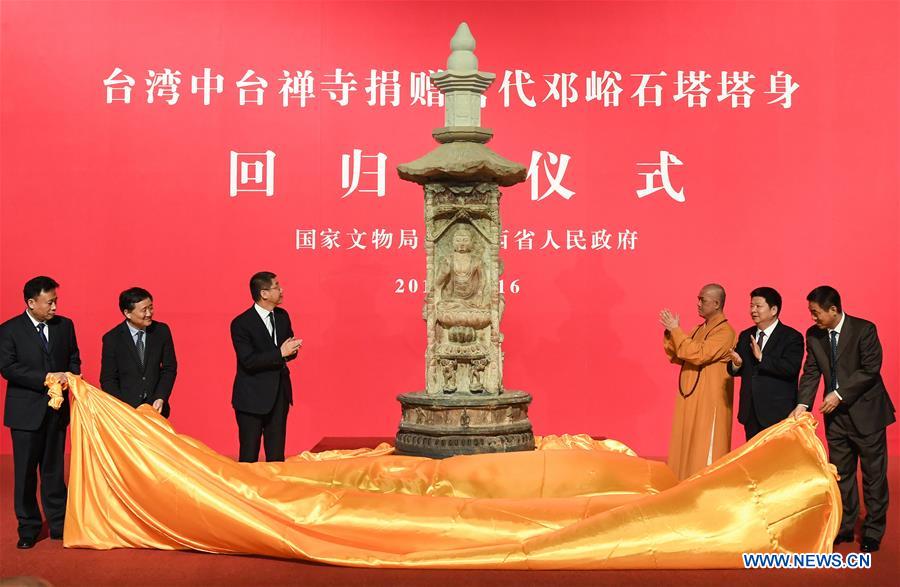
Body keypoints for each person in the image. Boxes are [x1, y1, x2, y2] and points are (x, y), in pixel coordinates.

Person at [791, 286, 895, 553]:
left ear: (833, 310)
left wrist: (838, 394)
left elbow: (871, 369)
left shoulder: (864, 330)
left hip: (867, 414)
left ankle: (873, 530)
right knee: (841, 474)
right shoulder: (814, 335)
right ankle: (846, 526)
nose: (812, 318)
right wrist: (803, 404)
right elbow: (811, 371)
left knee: (873, 476)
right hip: (836, 418)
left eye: (816, 313)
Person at [0, 276, 81, 549]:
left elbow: (73, 357)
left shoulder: (65, 326)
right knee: (24, 473)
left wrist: (70, 375)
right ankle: (29, 527)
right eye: (50, 302)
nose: (55, 307)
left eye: (56, 301)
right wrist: (47, 377)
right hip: (24, 414)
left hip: (56, 413)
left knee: (54, 470)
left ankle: (59, 524)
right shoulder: (9, 330)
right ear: (32, 302)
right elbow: (8, 368)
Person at [660, 283, 736, 480]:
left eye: (702, 299)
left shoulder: (725, 332)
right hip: (691, 398)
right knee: (685, 443)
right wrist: (671, 333)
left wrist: (677, 331)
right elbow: (680, 354)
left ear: (717, 303)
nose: (698, 303)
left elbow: (698, 354)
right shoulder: (697, 329)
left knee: (704, 449)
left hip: (710, 402)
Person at [231, 272, 301, 462]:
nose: (281, 290)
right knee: (249, 455)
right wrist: (280, 353)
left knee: (276, 455)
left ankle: (276, 491)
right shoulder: (241, 323)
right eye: (277, 287)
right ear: (264, 293)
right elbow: (249, 360)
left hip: (279, 395)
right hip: (251, 398)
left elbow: (287, 350)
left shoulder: (282, 316)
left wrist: (292, 350)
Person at [727, 287, 804, 441]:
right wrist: (736, 364)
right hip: (750, 411)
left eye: (758, 306)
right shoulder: (745, 335)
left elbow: (790, 368)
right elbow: (735, 369)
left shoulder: (792, 337)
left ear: (773, 309)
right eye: (751, 306)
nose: (753, 310)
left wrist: (762, 357)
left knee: (777, 461)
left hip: (778, 412)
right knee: (753, 461)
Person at [100, 287, 177, 418]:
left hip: (156, 409)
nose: (149, 313)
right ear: (127, 313)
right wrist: (123, 408)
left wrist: (160, 397)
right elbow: (108, 379)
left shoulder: (161, 331)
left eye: (150, 308)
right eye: (143, 310)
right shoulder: (112, 338)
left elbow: (169, 368)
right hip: (127, 414)